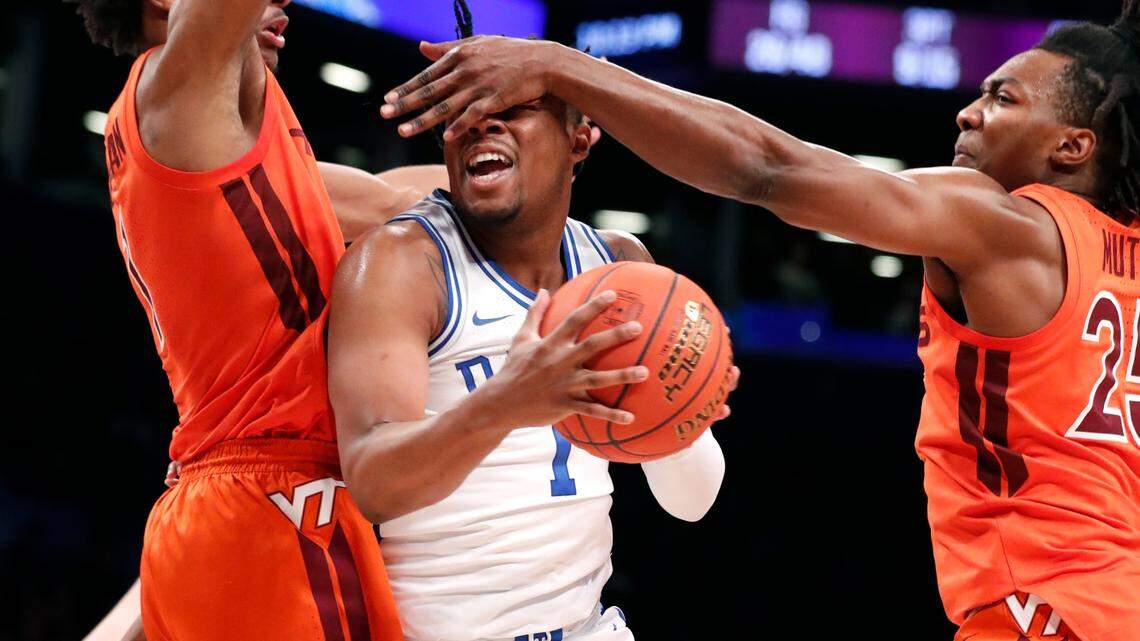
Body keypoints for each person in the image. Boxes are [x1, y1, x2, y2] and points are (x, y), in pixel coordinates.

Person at [379, 3, 1140, 641]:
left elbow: (771, 169)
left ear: (1073, 147)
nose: (969, 110)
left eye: (1004, 99)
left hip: (1052, 611)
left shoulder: (1008, 225)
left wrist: (556, 66)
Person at [71, 0, 440, 638]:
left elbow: (400, 203)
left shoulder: (222, 149)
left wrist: (531, 128)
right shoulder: (175, 87)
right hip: (276, 505)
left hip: (221, 510)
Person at [328, 90, 736, 641]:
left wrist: (686, 407)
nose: (478, 123)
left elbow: (692, 504)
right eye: (459, 114)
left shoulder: (619, 264)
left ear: (579, 135)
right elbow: (373, 486)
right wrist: (505, 405)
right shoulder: (400, 261)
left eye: (509, 107)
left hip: (589, 628)